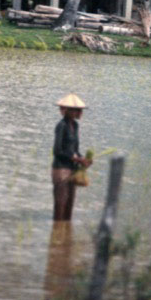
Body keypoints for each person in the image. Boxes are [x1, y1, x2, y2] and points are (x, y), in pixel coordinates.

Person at [52, 93, 92, 222]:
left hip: (72, 169)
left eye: (81, 110)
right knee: (60, 204)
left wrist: (83, 160)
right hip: (61, 169)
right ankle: (58, 235)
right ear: (68, 111)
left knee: (69, 205)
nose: (80, 113)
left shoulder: (75, 126)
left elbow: (75, 150)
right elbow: (57, 151)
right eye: (77, 110)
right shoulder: (61, 126)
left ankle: (65, 230)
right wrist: (75, 159)